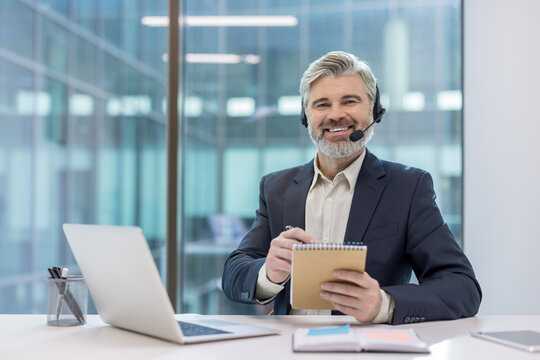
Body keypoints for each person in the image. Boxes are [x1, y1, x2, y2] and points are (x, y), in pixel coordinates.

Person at [222, 51, 481, 324]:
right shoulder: (276, 188)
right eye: (322, 104)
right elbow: (233, 275)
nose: (336, 115)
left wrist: (384, 304)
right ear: (305, 116)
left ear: (374, 109)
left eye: (350, 101)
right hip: (289, 346)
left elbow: (462, 287)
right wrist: (268, 273)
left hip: (366, 347)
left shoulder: (408, 188)